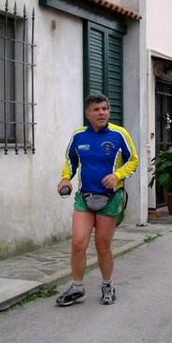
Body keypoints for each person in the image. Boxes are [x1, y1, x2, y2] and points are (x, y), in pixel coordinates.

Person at [56, 93, 139, 307]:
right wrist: (65, 178)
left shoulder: (119, 134)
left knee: (102, 245)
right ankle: (77, 288)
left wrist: (117, 175)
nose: (102, 113)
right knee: (78, 243)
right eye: (96, 109)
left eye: (105, 108)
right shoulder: (78, 136)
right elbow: (71, 161)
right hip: (85, 197)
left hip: (110, 198)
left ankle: (108, 285)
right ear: (87, 114)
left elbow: (133, 161)